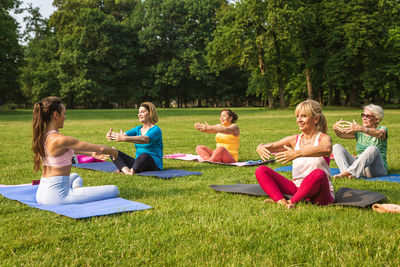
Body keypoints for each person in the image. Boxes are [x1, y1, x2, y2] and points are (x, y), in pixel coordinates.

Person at [32, 96, 119, 205]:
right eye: (64, 113)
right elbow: (101, 148)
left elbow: (69, 151)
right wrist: (114, 152)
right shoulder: (61, 139)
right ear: (55, 115)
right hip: (57, 196)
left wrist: (91, 153)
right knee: (114, 190)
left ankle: (77, 192)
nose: (65, 117)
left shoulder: (44, 136)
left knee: (75, 176)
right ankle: (76, 193)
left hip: (42, 192)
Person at [255, 99, 334, 209]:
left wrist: (298, 153)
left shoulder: (323, 138)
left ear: (316, 119)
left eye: (304, 116)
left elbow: (327, 148)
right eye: (297, 116)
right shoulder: (294, 140)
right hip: (297, 189)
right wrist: (260, 146)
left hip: (320, 195)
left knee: (319, 174)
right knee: (261, 170)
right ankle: (282, 202)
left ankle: (292, 201)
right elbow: (270, 146)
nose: (299, 120)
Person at [332, 104, 387, 179]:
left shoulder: (382, 129)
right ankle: (346, 173)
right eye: (363, 115)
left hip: (376, 169)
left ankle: (349, 172)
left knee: (373, 149)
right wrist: (335, 128)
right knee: (336, 147)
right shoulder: (359, 131)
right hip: (359, 167)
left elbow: (380, 134)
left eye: (368, 116)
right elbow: (341, 135)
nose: (364, 118)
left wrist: (361, 129)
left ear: (377, 119)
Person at [106, 102, 163, 175]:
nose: (139, 114)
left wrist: (124, 139)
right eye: (139, 112)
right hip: (138, 163)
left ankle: (131, 171)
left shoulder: (156, 129)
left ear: (150, 113)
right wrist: (111, 136)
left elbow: (144, 139)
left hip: (154, 165)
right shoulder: (138, 129)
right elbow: (123, 134)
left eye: (142, 112)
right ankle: (126, 171)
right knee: (112, 151)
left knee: (144, 155)